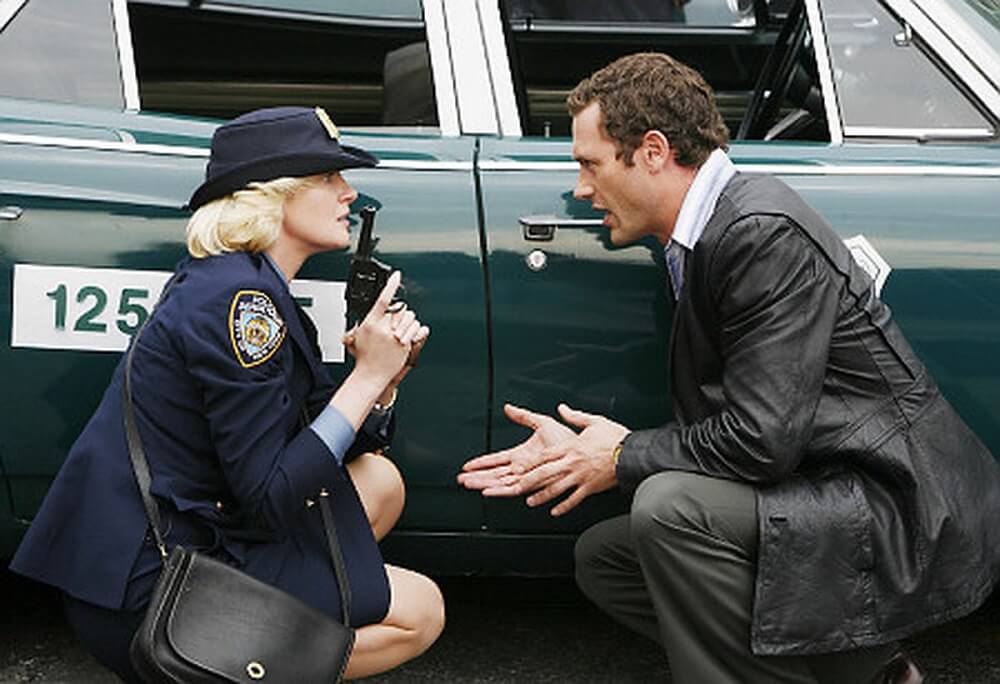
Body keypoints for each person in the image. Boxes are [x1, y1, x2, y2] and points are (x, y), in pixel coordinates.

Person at [459, 52, 1000, 683]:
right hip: (829, 487)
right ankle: (872, 673)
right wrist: (600, 446)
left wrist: (620, 455)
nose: (581, 189)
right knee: (610, 559)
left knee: (668, 510)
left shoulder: (758, 232)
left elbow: (762, 440)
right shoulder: (709, 227)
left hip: (896, 503)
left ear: (653, 151)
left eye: (590, 164)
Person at [11, 106, 445, 681]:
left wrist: (383, 383)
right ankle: (221, 663)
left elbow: (314, 438)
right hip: (157, 592)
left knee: (379, 482)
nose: (349, 192)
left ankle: (269, 625)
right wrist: (363, 376)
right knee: (420, 612)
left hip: (196, 529)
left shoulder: (246, 284)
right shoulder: (240, 304)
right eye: (327, 177)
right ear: (273, 196)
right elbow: (269, 496)